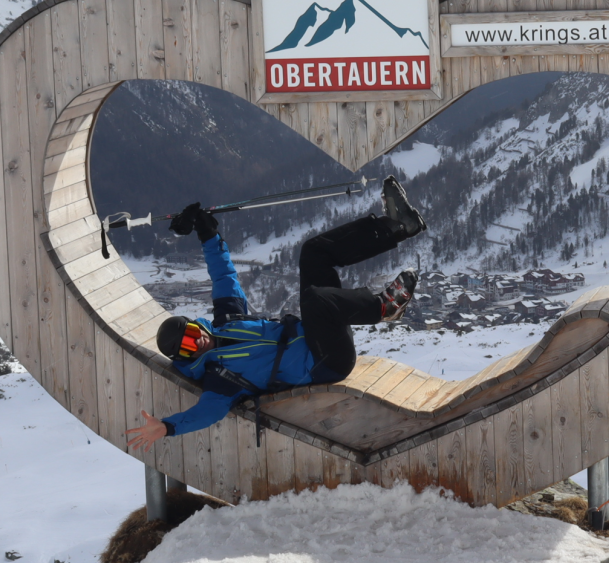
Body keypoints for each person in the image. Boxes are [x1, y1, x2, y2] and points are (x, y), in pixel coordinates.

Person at [125, 176, 426, 449]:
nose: (197, 343)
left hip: (320, 333)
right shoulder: (220, 379)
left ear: (197, 326)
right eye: (188, 348)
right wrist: (167, 427)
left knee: (313, 253)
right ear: (185, 358)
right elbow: (206, 414)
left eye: (192, 334)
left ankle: (396, 226)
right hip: (326, 362)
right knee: (314, 300)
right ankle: (383, 308)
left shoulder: (227, 319)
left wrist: (207, 233)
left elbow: (223, 275)